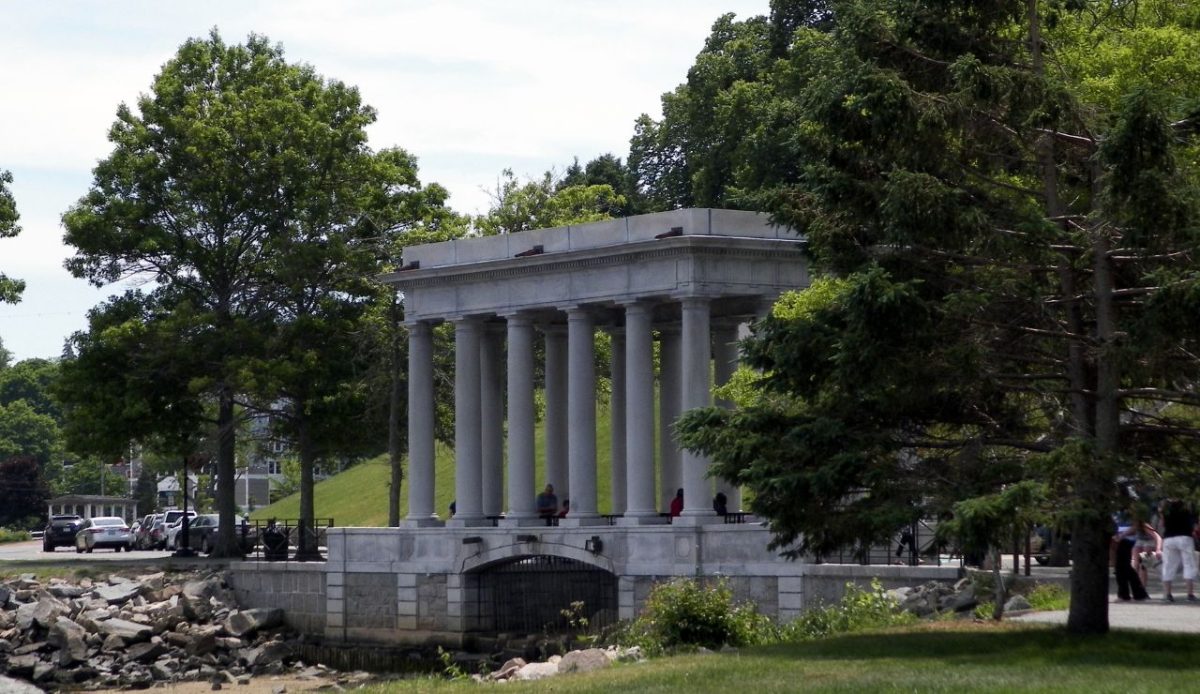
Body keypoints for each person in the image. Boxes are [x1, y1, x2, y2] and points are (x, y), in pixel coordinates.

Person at [1159, 498, 1197, 602]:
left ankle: (1168, 594)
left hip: (1169, 538)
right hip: (1184, 537)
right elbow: (1194, 525)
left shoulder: (1166, 511)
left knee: (1168, 565)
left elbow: (1162, 524)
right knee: (1189, 564)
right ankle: (1190, 594)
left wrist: (1161, 512)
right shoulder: (1187, 510)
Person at [1112, 517, 1150, 601]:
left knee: (1130, 568)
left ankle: (1139, 593)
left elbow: (1136, 526)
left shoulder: (1133, 513)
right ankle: (1124, 594)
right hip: (1121, 541)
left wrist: (1122, 535)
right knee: (1120, 569)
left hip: (1133, 542)